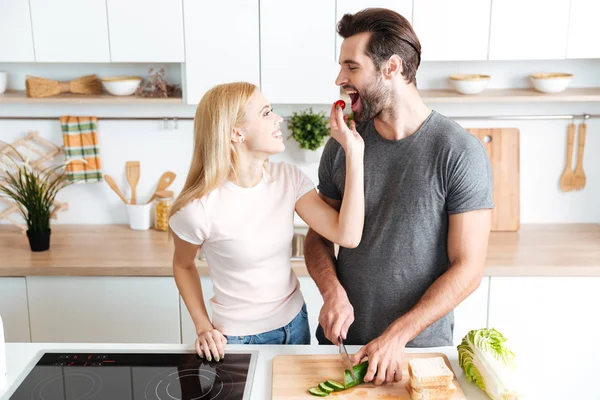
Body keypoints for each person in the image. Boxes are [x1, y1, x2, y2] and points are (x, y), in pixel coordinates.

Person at [304, 8, 494, 386]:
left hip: (418, 352)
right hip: (342, 348)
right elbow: (317, 236)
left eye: (352, 67)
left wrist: (397, 336)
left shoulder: (458, 151)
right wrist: (331, 291)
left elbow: (468, 268)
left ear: (391, 67)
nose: (340, 79)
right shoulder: (343, 145)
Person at [168, 82, 365, 362]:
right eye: (265, 113)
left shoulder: (288, 178)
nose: (278, 118)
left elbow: (348, 235)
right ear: (237, 132)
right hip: (237, 339)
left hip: (296, 325)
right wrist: (203, 326)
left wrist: (354, 154)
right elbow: (182, 265)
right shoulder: (197, 209)